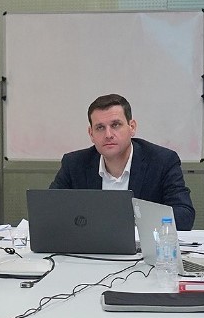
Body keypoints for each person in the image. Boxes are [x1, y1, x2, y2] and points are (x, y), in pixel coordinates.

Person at [50, 94, 195, 230]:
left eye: (115, 125)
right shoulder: (74, 164)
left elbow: (184, 215)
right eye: (100, 128)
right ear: (91, 134)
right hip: (91, 247)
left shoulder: (162, 161)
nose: (108, 135)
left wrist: (129, 221)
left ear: (132, 127)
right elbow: (49, 210)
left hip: (141, 247)